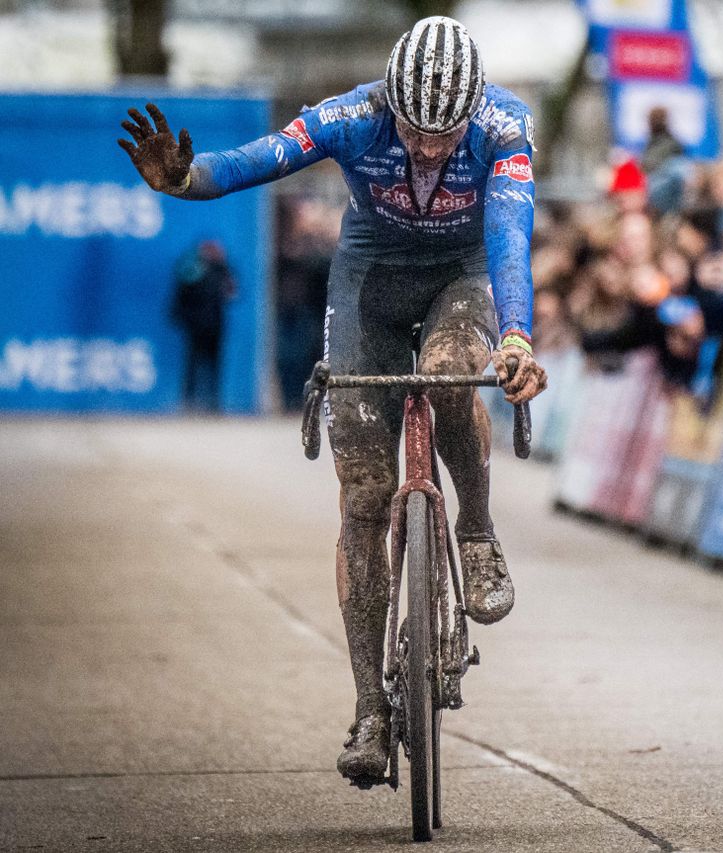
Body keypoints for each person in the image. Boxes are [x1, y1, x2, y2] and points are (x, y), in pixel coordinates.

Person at [117, 16, 547, 785]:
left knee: (453, 373)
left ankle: (476, 528)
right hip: (369, 281)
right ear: (392, 105)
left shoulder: (504, 127)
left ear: (472, 114)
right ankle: (370, 712)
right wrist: (187, 178)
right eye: (413, 128)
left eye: (442, 134)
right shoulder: (353, 115)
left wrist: (515, 337)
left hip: (464, 274)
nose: (424, 146)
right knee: (364, 496)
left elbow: (512, 235)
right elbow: (262, 158)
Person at [170, 239, 235, 412]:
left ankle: (213, 403)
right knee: (192, 365)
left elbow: (232, 292)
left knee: (214, 366)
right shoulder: (192, 269)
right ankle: (188, 402)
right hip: (196, 325)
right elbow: (182, 292)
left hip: (215, 325)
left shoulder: (222, 270)